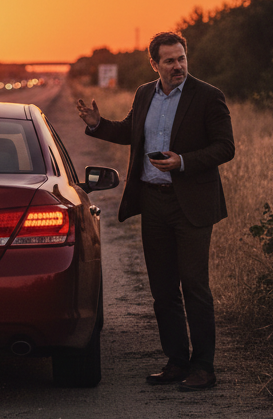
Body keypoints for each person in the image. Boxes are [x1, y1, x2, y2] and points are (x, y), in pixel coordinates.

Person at [77, 32, 234, 391]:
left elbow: (225, 147)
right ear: (154, 64)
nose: (178, 66)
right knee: (163, 289)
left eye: (181, 58)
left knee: (194, 286)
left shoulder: (208, 96)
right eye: (169, 60)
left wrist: (183, 161)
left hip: (191, 204)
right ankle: (177, 361)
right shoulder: (144, 93)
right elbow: (131, 132)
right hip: (153, 202)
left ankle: (204, 367)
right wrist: (97, 124)